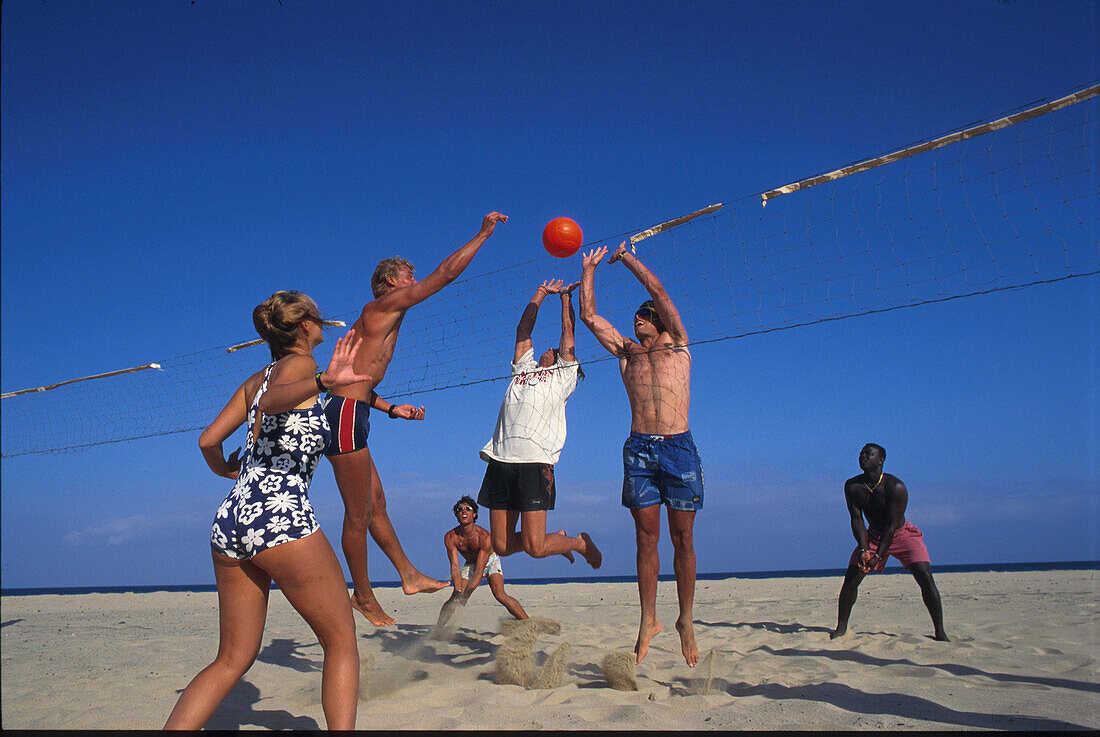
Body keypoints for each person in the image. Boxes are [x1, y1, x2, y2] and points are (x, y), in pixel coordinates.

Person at [165, 291, 370, 731]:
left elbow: (207, 441)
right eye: (319, 318)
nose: (323, 324)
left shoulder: (253, 380)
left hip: (232, 516)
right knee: (340, 641)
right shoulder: (299, 368)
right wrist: (322, 382)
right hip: (280, 515)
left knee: (232, 659)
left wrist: (225, 469)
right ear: (304, 328)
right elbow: (279, 401)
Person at [323, 211, 509, 627]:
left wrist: (392, 408)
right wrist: (482, 233)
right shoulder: (383, 305)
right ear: (391, 281)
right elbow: (444, 275)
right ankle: (364, 596)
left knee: (377, 505)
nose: (414, 277)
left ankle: (407, 575)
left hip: (352, 410)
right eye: (409, 273)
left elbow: (354, 381)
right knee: (358, 513)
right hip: (343, 415)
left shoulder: (384, 320)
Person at [579, 242, 703, 668]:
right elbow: (590, 317)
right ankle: (648, 618)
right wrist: (590, 268)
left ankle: (685, 618)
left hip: (677, 445)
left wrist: (628, 258)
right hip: (639, 449)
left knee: (682, 537)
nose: (639, 318)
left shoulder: (679, 343)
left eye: (646, 314)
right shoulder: (627, 352)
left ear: (659, 321)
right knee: (645, 537)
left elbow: (660, 289)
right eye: (638, 315)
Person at [478, 278, 602, 570]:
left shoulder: (563, 377)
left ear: (562, 360)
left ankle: (576, 542)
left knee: (535, 548)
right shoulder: (523, 369)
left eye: (555, 350)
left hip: (535, 462)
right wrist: (541, 292)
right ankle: (557, 539)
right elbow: (523, 331)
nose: (549, 349)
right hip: (500, 459)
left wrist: (565, 298)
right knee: (501, 545)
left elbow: (568, 332)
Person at [831, 443, 949, 641]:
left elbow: (892, 526)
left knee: (925, 576)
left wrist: (877, 556)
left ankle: (940, 632)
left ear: (881, 460)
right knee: (851, 579)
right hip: (873, 536)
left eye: (869, 454)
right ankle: (841, 628)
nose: (863, 457)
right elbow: (856, 519)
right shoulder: (852, 486)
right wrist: (863, 549)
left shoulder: (896, 487)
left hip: (902, 534)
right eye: (861, 454)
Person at [440, 496, 528, 621]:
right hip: (471, 563)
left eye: (468, 509)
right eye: (460, 509)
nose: (463, 511)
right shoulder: (451, 537)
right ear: (457, 514)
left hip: (490, 560)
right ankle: (438, 630)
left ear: (474, 514)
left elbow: (479, 571)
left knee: (499, 594)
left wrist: (466, 595)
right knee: (455, 597)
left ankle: (526, 621)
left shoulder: (484, 537)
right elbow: (455, 566)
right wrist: (458, 590)